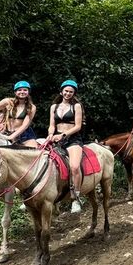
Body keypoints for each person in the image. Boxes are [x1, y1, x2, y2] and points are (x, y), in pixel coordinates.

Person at [47, 79, 85, 213]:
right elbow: (52, 125)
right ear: (61, 91)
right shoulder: (54, 107)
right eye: (66, 91)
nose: (68, 93)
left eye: (71, 92)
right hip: (57, 139)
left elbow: (78, 126)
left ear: (74, 94)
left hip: (73, 139)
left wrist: (63, 135)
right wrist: (50, 134)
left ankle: (76, 198)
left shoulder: (76, 107)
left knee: (74, 167)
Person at [0, 80, 38, 147]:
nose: (22, 92)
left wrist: (12, 137)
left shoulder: (31, 107)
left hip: (23, 134)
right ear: (15, 92)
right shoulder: (7, 101)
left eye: (25, 90)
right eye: (19, 90)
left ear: (28, 92)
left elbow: (25, 125)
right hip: (6, 132)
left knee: (34, 152)